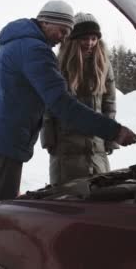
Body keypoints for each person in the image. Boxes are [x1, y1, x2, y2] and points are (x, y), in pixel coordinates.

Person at [0, 0, 136, 235]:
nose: (63, 38)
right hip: (5, 137)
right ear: (46, 21)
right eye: (62, 31)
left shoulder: (16, 41)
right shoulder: (35, 50)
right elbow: (62, 104)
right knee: (1, 207)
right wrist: (114, 131)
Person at [40, 12, 118, 185]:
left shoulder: (104, 65)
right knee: (68, 198)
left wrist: (110, 137)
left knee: (100, 194)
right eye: (84, 38)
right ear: (73, 40)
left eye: (93, 38)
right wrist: (48, 137)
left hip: (96, 146)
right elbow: (48, 105)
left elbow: (109, 104)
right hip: (66, 145)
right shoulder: (57, 65)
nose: (89, 43)